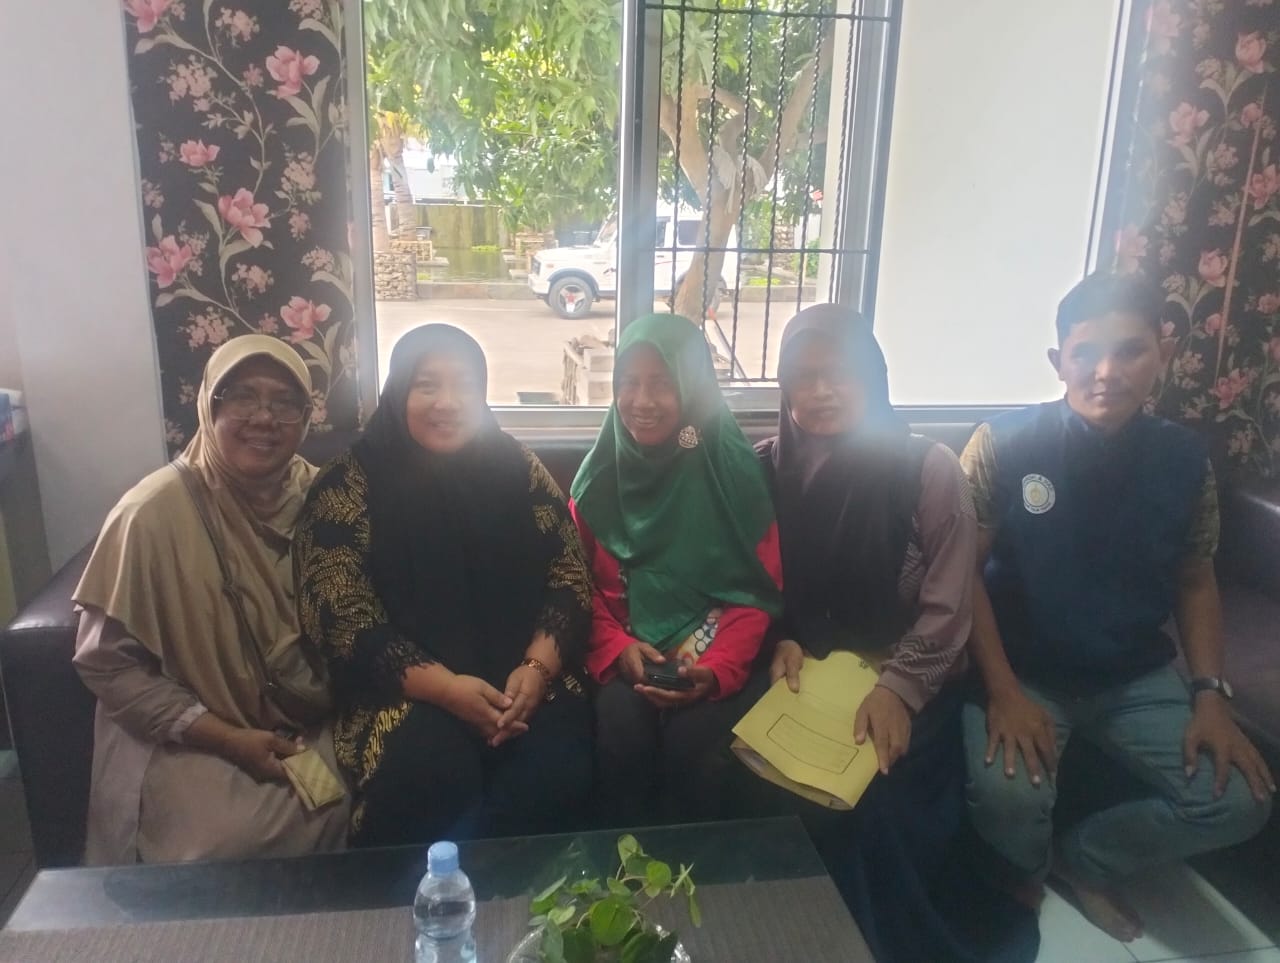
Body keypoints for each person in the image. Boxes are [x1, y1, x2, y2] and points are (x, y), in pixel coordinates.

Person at [960, 272, 1275, 941]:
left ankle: (1085, 861)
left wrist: (1210, 695)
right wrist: (1003, 691)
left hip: (1134, 676)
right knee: (1006, 795)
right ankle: (1025, 871)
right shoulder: (1003, 444)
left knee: (1240, 801)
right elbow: (958, 576)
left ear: (1164, 353)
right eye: (1086, 352)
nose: (1107, 372)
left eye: (1130, 351)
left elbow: (1196, 580)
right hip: (1022, 672)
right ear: (1059, 360)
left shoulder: (1185, 460)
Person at [750, 304, 1036, 963]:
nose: (822, 390)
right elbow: (751, 581)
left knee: (872, 802)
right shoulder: (762, 468)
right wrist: (779, 636)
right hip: (804, 675)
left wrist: (898, 690)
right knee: (755, 779)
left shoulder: (927, 470)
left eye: (841, 373)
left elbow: (949, 608)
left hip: (908, 676)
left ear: (875, 378)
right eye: (804, 376)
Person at [295, 323, 594, 847]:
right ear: (398, 391)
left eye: (465, 386)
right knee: (428, 772)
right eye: (427, 385)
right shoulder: (349, 482)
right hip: (399, 693)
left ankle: (540, 901)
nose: (448, 403)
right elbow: (341, 615)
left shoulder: (518, 467)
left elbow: (568, 575)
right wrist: (449, 690)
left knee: (553, 769)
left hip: (523, 683)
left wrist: (535, 669)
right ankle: (419, 900)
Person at [74, 336, 348, 864]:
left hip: (314, 723)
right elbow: (108, 664)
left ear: (305, 418)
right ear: (208, 406)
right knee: (227, 845)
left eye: (284, 402)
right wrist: (225, 737)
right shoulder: (151, 515)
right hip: (193, 734)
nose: (263, 418)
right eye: (242, 396)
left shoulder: (332, 502)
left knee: (391, 783)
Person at [570, 313, 783, 826]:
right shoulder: (600, 479)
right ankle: (623, 867)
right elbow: (573, 585)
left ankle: (697, 871)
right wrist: (617, 649)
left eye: (662, 383)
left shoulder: (733, 475)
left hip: (715, 657)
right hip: (624, 655)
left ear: (692, 388)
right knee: (621, 730)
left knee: (696, 747)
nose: (641, 401)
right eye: (628, 383)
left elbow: (756, 590)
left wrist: (717, 670)